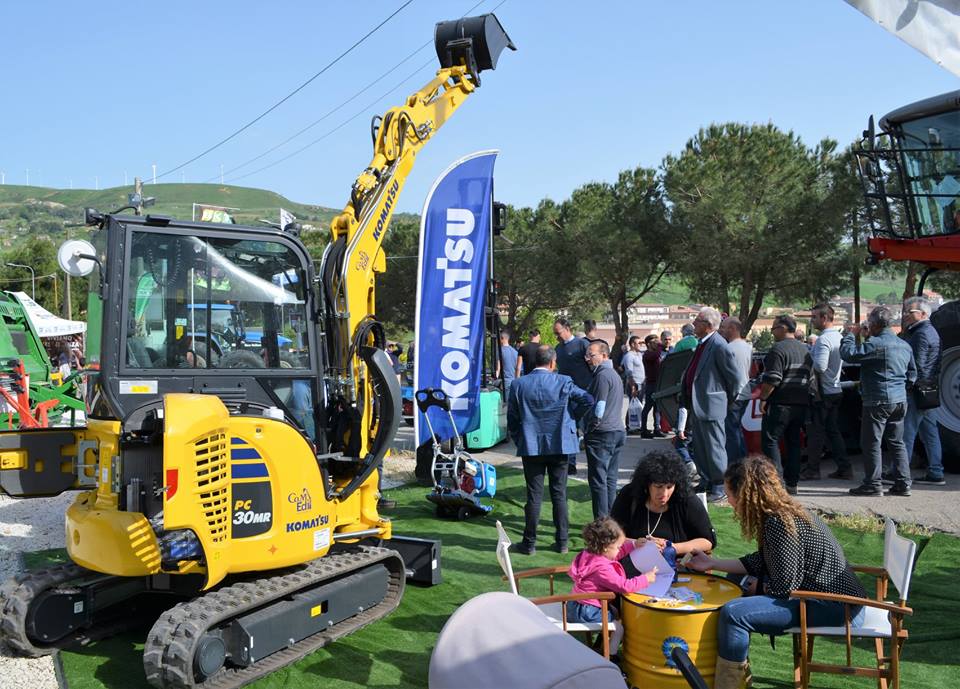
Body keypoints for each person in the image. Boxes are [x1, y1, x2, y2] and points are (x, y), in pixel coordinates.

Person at [686, 457, 867, 689]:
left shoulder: (779, 523)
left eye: (730, 494)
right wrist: (713, 563)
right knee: (734, 581)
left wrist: (757, 587)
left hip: (834, 606)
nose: (729, 500)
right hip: (824, 598)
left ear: (747, 494)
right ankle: (736, 667)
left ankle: (729, 684)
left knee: (733, 613)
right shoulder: (780, 514)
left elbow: (784, 587)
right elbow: (763, 561)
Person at [506, 345, 593, 555]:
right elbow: (588, 400)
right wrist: (572, 419)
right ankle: (562, 541)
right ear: (553, 362)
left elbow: (512, 418)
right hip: (560, 445)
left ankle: (529, 543)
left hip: (531, 445)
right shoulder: (563, 381)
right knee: (559, 494)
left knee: (533, 496)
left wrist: (521, 439)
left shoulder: (519, 384)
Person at [841, 306, 917, 497]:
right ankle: (903, 483)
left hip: (877, 400)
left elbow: (848, 354)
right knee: (897, 442)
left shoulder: (875, 344)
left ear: (873, 324)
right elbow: (913, 375)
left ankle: (873, 484)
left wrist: (850, 334)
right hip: (900, 400)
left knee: (871, 442)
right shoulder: (904, 345)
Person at [566, 516, 658, 652]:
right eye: (618, 546)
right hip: (588, 612)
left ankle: (601, 644)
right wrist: (646, 578)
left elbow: (615, 554)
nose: (620, 550)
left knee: (615, 612)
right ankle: (611, 656)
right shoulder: (603, 569)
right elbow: (624, 586)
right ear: (605, 548)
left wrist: (633, 545)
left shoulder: (589, 554)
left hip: (574, 605)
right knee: (619, 626)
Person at [682, 307, 743, 502]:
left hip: (712, 406)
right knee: (700, 448)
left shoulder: (718, 345)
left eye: (697, 321)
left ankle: (719, 484)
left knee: (714, 447)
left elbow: (734, 378)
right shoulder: (702, 343)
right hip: (699, 405)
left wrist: (725, 400)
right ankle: (706, 480)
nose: (693, 324)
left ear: (708, 326)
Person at [610, 450, 716, 559]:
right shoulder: (629, 495)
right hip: (632, 567)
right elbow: (611, 534)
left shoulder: (687, 500)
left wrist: (672, 547)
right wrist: (637, 543)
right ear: (647, 484)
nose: (664, 494)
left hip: (677, 567)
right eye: (658, 486)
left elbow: (707, 541)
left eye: (669, 487)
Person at [758, 314, 812, 495]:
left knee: (770, 441)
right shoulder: (805, 349)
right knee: (794, 443)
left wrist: (763, 398)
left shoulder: (778, 349)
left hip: (780, 403)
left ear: (782, 328)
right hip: (801, 403)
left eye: (773, 328)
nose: (772, 332)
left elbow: (772, 378)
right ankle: (792, 483)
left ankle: (777, 484)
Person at [803, 303, 852, 480]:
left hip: (823, 393)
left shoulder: (823, 340)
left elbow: (820, 366)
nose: (812, 320)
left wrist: (808, 356)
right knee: (833, 431)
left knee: (816, 433)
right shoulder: (838, 337)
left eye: (814, 317)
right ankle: (844, 467)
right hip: (835, 389)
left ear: (824, 318)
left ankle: (813, 470)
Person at [901, 296, 945, 485]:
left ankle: (900, 473)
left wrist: (909, 384)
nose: (906, 315)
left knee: (907, 433)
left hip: (917, 390)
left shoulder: (920, 334)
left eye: (910, 312)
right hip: (929, 389)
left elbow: (916, 364)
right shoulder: (932, 331)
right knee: (930, 433)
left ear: (923, 313)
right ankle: (936, 471)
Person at [583, 341, 626, 518]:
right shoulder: (614, 374)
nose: (588, 359)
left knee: (599, 481)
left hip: (602, 433)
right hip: (617, 431)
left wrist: (589, 429)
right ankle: (611, 520)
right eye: (587, 355)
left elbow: (599, 408)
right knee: (610, 479)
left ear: (604, 355)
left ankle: (601, 523)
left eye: (591, 355)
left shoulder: (602, 375)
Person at [554, 317, 593, 473]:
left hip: (584, 394)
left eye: (558, 333)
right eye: (555, 334)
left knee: (588, 429)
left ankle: (592, 463)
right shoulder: (558, 348)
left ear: (567, 328)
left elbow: (594, 365)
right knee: (570, 429)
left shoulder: (582, 344)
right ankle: (571, 463)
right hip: (567, 394)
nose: (557, 336)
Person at [718, 317, 752, 466]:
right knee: (736, 431)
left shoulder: (729, 349)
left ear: (732, 328)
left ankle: (736, 466)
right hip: (744, 393)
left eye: (723, 327)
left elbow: (732, 376)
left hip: (734, 395)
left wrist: (730, 396)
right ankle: (743, 463)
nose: (721, 330)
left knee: (732, 433)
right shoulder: (746, 347)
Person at [640, 334, 664, 439]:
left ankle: (657, 429)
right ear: (649, 344)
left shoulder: (654, 354)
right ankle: (643, 430)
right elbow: (657, 354)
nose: (657, 345)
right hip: (651, 384)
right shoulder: (647, 355)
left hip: (657, 383)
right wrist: (659, 345)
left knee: (657, 408)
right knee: (648, 407)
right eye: (654, 343)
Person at [497, 330, 518, 399]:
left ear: (502, 339)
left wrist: (495, 379)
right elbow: (518, 368)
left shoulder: (500, 351)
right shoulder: (515, 352)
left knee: (504, 406)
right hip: (514, 381)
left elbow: (498, 369)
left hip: (505, 382)